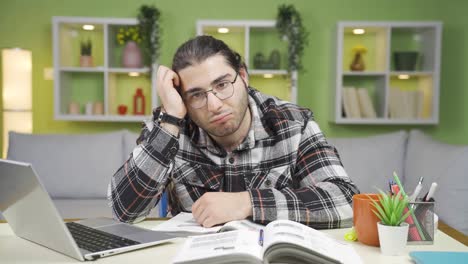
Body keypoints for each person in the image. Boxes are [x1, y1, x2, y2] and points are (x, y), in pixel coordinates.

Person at [108, 35, 359, 228]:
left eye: (222, 84)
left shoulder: (293, 123)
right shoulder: (169, 126)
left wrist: (247, 202)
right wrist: (171, 119)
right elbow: (125, 211)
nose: (214, 105)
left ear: (243, 76)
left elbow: (347, 201)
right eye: (196, 94)